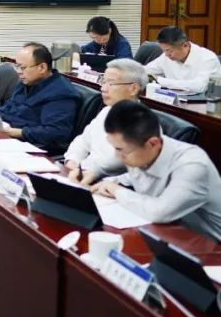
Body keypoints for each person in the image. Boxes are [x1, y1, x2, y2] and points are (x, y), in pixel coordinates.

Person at [92, 101, 221, 242]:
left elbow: (160, 212)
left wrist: (116, 190)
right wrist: (104, 179)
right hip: (166, 233)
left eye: (121, 150)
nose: (118, 157)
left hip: (209, 246)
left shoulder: (193, 165)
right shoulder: (143, 151)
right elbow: (132, 175)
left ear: (152, 144)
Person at [66, 59, 147, 184]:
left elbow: (114, 162)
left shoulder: (144, 122)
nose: (103, 89)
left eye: (111, 84)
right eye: (103, 82)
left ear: (134, 89)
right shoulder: (107, 110)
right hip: (82, 173)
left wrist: (87, 170)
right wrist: (72, 160)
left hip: (107, 182)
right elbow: (82, 141)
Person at [0, 43, 81, 154]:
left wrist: (15, 132)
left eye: (22, 67)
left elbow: (55, 132)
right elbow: (6, 109)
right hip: (7, 139)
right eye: (16, 66)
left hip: (32, 148)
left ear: (42, 68)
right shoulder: (26, 82)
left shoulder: (61, 93)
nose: (18, 72)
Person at [144, 27, 221, 93]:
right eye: (164, 51)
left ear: (185, 45)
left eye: (169, 50)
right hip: (175, 100)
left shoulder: (208, 58)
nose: (166, 54)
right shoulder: (166, 56)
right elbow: (145, 71)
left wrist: (159, 80)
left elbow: (199, 86)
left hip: (205, 102)